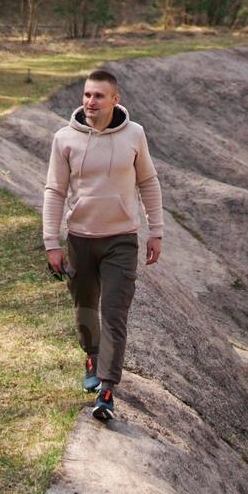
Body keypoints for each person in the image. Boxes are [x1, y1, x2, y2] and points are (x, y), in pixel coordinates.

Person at [43, 69, 164, 422]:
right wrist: (52, 242)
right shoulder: (64, 139)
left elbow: (149, 182)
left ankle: (107, 389)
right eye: (86, 95)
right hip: (80, 239)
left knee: (114, 313)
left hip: (121, 240)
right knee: (84, 310)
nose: (90, 102)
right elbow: (55, 191)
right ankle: (92, 356)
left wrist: (155, 230)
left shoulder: (134, 135)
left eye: (98, 96)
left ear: (115, 99)